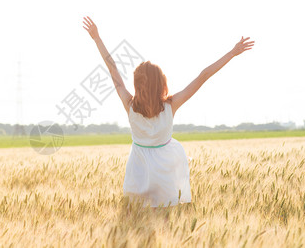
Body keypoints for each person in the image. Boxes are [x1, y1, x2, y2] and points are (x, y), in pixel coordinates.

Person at [82, 16, 254, 208]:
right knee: (166, 220)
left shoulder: (129, 105)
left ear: (137, 85)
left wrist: (97, 38)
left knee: (132, 220)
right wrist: (232, 53)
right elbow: (203, 76)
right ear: (162, 83)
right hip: (165, 171)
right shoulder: (171, 105)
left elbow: (113, 69)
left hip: (137, 170)